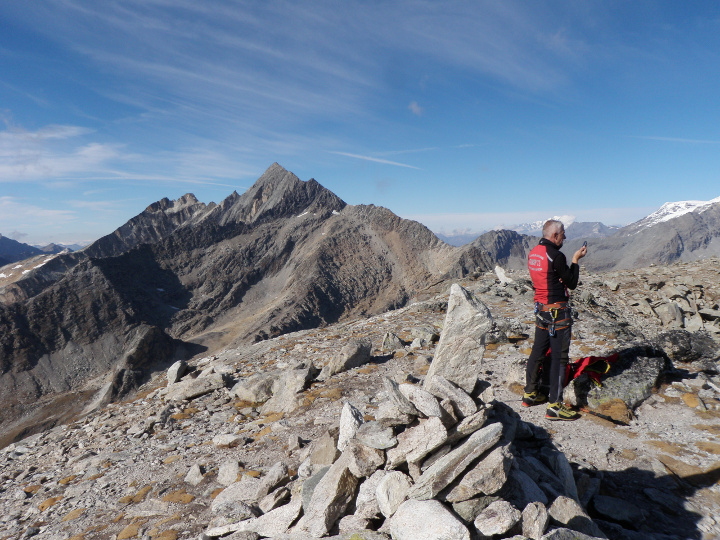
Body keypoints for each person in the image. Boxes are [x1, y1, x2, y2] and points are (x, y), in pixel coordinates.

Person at [523, 219, 587, 420]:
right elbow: (572, 282)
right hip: (557, 312)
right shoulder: (556, 256)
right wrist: (576, 260)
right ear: (554, 236)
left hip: (541, 310)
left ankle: (530, 394)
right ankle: (555, 406)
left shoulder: (534, 253)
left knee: (538, 351)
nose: (565, 237)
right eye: (563, 234)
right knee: (559, 358)